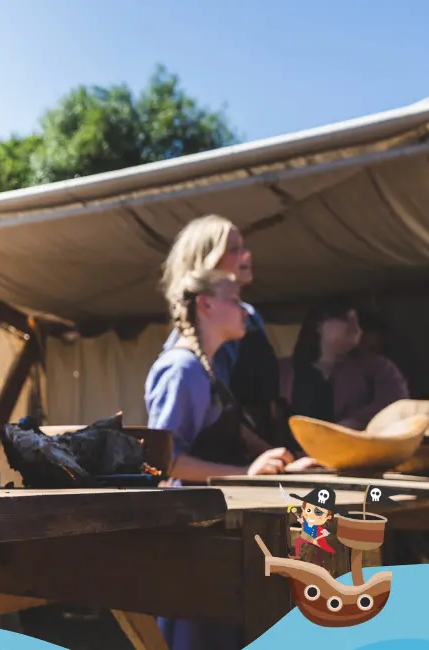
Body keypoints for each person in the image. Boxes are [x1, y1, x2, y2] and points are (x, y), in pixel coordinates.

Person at [148, 269, 299, 650]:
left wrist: (280, 467)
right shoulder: (181, 370)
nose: (246, 309)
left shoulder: (209, 369)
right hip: (191, 539)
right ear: (206, 304)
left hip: (216, 532)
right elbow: (164, 461)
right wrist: (246, 474)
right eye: (235, 299)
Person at [160, 214, 296, 454]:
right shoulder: (184, 360)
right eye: (234, 249)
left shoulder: (250, 317)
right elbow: (211, 424)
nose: (246, 255)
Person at [279, 299, 409, 430]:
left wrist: (355, 422)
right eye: (346, 319)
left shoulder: (379, 367)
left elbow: (397, 403)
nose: (356, 328)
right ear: (318, 324)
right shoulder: (282, 370)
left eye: (358, 322)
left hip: (356, 447)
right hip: (293, 448)